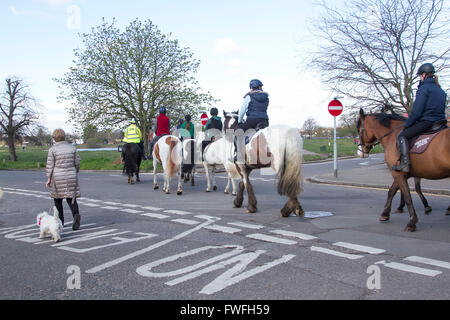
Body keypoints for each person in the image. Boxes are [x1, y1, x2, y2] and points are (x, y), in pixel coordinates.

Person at [392, 63, 447, 172]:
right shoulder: (441, 91)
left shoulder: (423, 89)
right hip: (441, 123)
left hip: (427, 122)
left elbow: (416, 113)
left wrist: (407, 125)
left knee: (402, 136)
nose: (419, 78)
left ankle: (405, 164)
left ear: (424, 75)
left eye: (420, 76)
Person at [46, 128, 81, 230]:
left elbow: (50, 165)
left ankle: (60, 221)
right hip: (71, 174)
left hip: (57, 176)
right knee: (71, 198)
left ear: (54, 138)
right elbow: (77, 162)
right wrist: (75, 171)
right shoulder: (72, 148)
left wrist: (48, 178)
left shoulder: (52, 149)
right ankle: (75, 215)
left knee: (58, 199)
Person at [233, 79, 269, 163]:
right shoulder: (266, 97)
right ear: (260, 87)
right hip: (265, 120)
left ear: (251, 87)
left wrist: (239, 121)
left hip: (252, 120)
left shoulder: (249, 97)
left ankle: (238, 154)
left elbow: (242, 111)